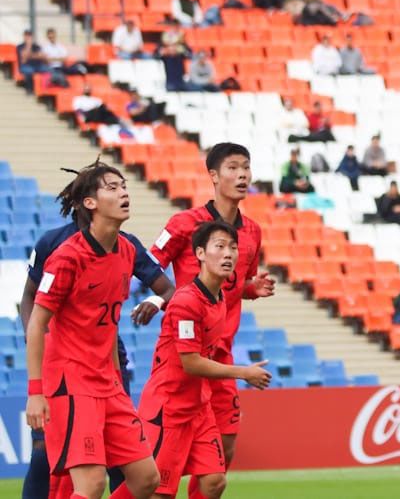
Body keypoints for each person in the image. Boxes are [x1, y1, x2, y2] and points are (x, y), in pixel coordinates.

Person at [20, 162, 176, 499]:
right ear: (90, 203)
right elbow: (36, 323)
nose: (124, 192)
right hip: (71, 382)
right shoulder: (66, 257)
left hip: (108, 382)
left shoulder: (127, 250)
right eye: (112, 187)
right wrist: (36, 392)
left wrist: (117, 382)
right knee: (89, 484)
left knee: (147, 479)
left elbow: (107, 328)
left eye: (124, 185)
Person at [147, 144, 274, 497]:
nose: (243, 175)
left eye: (247, 167)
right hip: (184, 358)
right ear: (214, 176)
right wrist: (161, 297)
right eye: (233, 167)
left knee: (223, 456)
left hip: (221, 357)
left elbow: (234, 283)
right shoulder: (184, 224)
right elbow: (147, 263)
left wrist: (252, 288)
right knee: (160, 479)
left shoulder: (252, 232)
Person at [123, 221, 271, 499]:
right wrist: (243, 372)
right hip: (168, 408)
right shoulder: (186, 302)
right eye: (220, 247)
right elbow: (190, 363)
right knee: (157, 492)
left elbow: (236, 292)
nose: (228, 254)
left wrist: (250, 289)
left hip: (197, 406)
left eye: (233, 248)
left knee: (215, 481)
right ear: (200, 254)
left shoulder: (218, 298)